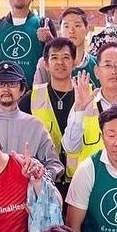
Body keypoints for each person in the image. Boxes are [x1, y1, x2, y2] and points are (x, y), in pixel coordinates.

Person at [0, 61, 64, 182]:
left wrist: (39, 174)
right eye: (0, 84)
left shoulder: (35, 125)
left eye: (12, 83)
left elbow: (55, 165)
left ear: (22, 89)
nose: (6, 89)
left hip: (27, 190)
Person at [31, 36, 81, 188]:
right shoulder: (32, 97)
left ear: (74, 62)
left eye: (66, 57)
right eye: (54, 58)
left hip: (81, 178)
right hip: (45, 178)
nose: (60, 62)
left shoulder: (87, 95)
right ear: (46, 64)